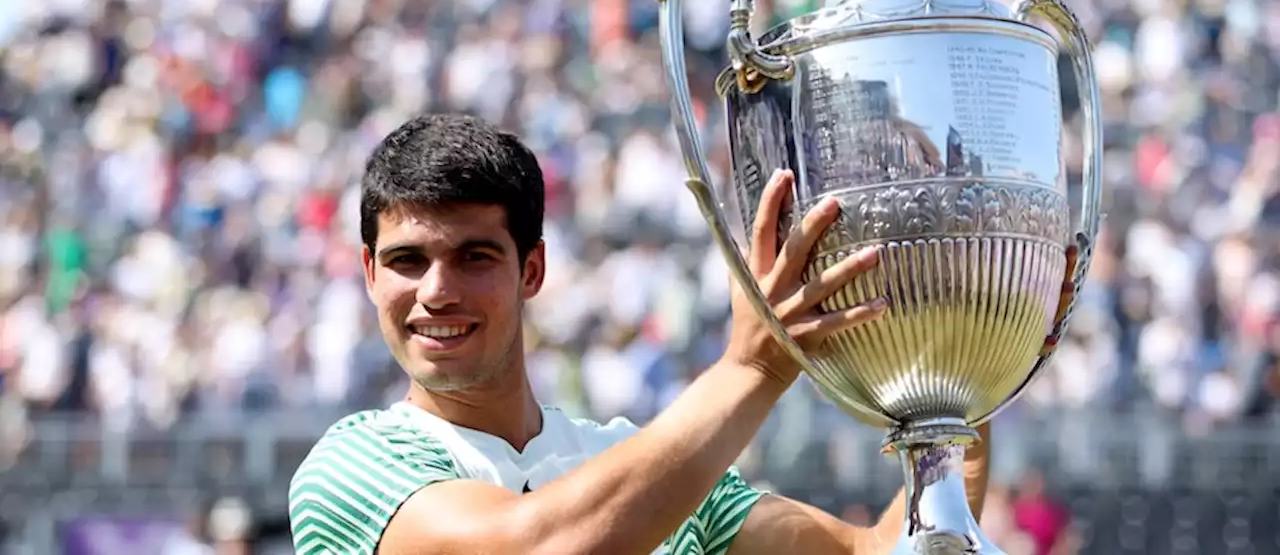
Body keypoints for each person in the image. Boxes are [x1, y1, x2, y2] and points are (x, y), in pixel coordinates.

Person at [288, 112, 1081, 555]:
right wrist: (754, 368)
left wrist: (967, 358)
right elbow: (535, 549)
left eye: (474, 257)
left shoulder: (657, 473)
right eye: (405, 261)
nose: (435, 291)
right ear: (367, 274)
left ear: (531, 271)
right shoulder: (352, 470)